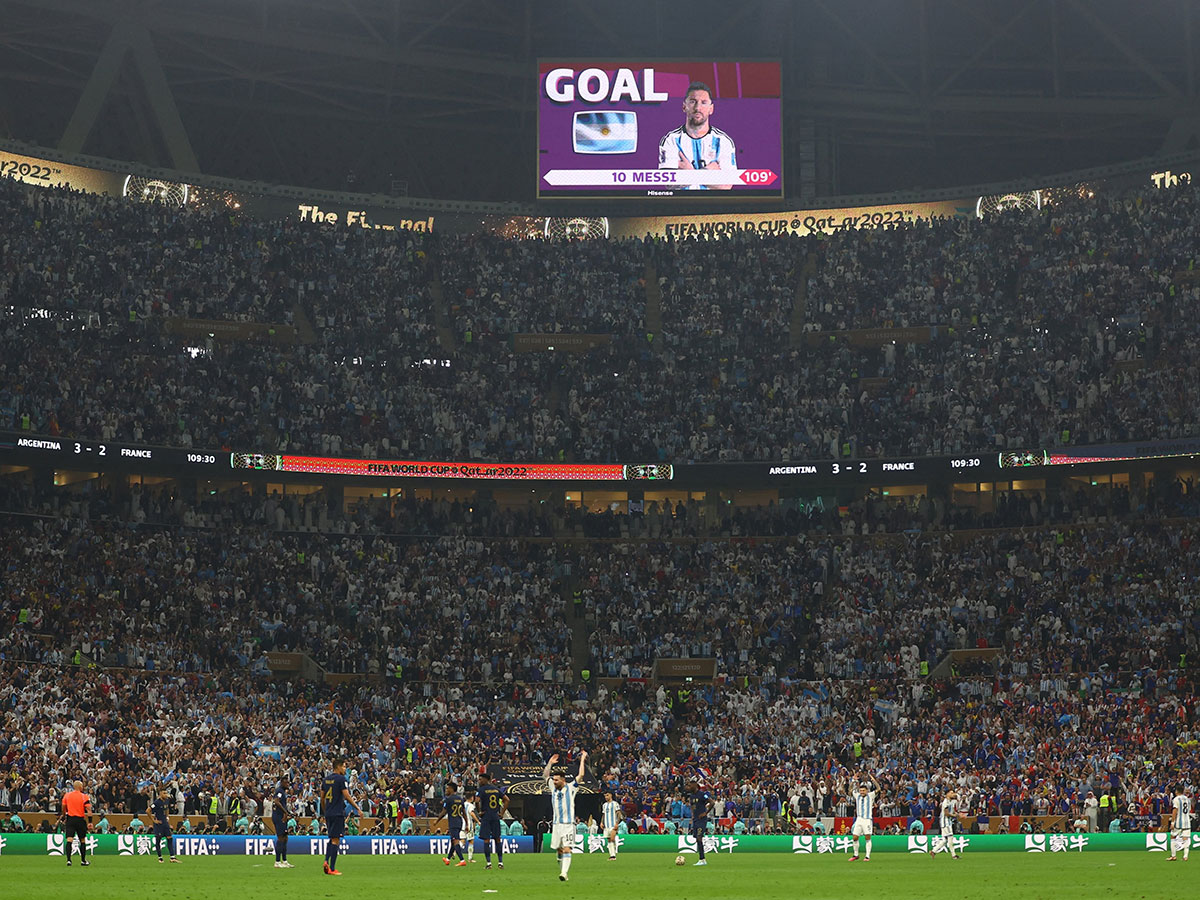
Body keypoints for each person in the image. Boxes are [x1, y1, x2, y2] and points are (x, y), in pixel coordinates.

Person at [657, 81, 737, 190]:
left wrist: (689, 174)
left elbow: (726, 185)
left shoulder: (723, 141)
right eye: (693, 101)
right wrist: (707, 173)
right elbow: (668, 183)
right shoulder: (671, 140)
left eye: (703, 102)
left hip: (712, 201)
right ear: (684, 106)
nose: (698, 108)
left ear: (711, 109)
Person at [544, 751, 587, 882]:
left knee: (567, 849)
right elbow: (545, 775)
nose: (554, 781)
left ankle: (564, 873)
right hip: (556, 825)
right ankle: (561, 865)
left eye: (556, 780)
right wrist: (549, 763)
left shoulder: (571, 787)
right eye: (553, 780)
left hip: (568, 825)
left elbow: (581, 775)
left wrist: (582, 759)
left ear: (563, 780)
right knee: (559, 850)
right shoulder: (552, 787)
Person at [320, 758, 362, 876]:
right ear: (338, 767)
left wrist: (325, 811)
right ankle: (332, 868)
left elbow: (322, 798)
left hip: (328, 813)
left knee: (331, 838)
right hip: (338, 813)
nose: (345, 769)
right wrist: (357, 808)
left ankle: (326, 861)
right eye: (344, 766)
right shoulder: (341, 779)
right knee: (336, 840)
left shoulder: (326, 780)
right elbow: (347, 796)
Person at [477, 771, 509, 870]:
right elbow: (507, 800)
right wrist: (502, 813)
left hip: (486, 816)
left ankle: (489, 863)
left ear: (485, 779)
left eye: (480, 779)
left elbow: (477, 801)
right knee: (497, 839)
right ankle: (500, 862)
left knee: (486, 840)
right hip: (495, 816)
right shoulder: (496, 789)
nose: (479, 781)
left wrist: (479, 811)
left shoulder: (481, 789)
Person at [432, 783, 468, 867]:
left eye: (447, 788)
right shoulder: (460, 799)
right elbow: (464, 812)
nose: (446, 790)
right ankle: (448, 859)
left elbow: (444, 812)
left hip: (453, 822)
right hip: (459, 822)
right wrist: (466, 824)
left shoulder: (448, 799)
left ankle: (462, 860)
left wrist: (437, 821)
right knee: (453, 841)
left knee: (455, 841)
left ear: (452, 789)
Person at [59, 781, 91, 867]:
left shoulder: (67, 795)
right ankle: (83, 860)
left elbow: (63, 807)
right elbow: (89, 810)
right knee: (82, 840)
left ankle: (69, 860)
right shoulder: (84, 796)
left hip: (70, 819)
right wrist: (90, 822)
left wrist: (63, 815)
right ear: (80, 787)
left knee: (69, 839)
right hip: (80, 819)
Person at [850, 772, 880, 862]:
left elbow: (878, 788)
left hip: (867, 819)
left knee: (867, 837)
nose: (862, 792)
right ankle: (856, 855)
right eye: (861, 790)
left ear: (867, 791)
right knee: (855, 837)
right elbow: (850, 790)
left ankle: (867, 856)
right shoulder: (857, 796)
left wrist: (874, 780)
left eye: (863, 790)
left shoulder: (871, 795)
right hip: (859, 819)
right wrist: (853, 780)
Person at [151, 788, 180, 863]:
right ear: (160, 794)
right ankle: (160, 858)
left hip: (165, 823)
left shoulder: (167, 800)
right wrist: (154, 820)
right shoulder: (156, 802)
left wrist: (167, 817)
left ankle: (172, 857)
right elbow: (148, 810)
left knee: (170, 838)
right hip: (159, 824)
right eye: (164, 793)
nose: (166, 795)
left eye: (166, 793)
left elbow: (167, 809)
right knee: (158, 840)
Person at [930, 788, 960, 859]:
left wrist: (956, 814)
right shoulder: (945, 802)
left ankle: (933, 851)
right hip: (946, 822)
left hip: (946, 822)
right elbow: (946, 814)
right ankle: (953, 855)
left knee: (944, 840)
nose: (953, 794)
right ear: (947, 794)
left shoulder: (951, 801)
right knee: (950, 838)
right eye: (951, 793)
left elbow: (951, 811)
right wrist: (954, 815)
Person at [271, 778, 293, 869]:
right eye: (286, 782)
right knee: (280, 837)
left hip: (282, 816)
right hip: (278, 817)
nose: (288, 784)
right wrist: (285, 812)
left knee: (285, 838)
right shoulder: (279, 791)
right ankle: (277, 861)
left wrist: (288, 813)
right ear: (282, 783)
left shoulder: (282, 792)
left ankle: (284, 861)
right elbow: (276, 801)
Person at [689, 780, 711, 866]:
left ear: (695, 785)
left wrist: (706, 813)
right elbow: (692, 806)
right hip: (695, 820)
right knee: (697, 838)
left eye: (690, 785)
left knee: (699, 838)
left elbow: (712, 802)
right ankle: (702, 859)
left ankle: (702, 859)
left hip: (702, 820)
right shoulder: (691, 796)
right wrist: (692, 815)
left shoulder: (702, 794)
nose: (689, 787)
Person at [1169, 784, 1192, 861]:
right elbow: (1189, 810)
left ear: (1176, 791)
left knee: (1173, 836)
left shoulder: (1176, 799)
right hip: (1187, 822)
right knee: (1186, 839)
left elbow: (1175, 811)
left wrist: (1172, 823)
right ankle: (1185, 856)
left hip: (1178, 822)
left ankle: (1173, 856)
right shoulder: (1187, 799)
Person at [601, 789, 622, 860]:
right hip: (606, 825)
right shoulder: (604, 805)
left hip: (613, 824)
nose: (606, 797)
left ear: (611, 795)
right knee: (609, 840)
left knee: (612, 839)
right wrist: (601, 822)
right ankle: (612, 855)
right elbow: (603, 814)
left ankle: (614, 853)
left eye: (607, 795)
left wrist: (617, 823)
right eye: (605, 796)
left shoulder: (615, 804)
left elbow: (619, 814)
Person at [462, 787, 479, 863]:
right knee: (471, 841)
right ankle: (470, 858)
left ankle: (454, 851)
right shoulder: (471, 805)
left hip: (462, 824)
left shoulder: (462, 804)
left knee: (462, 840)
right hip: (469, 824)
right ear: (472, 798)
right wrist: (478, 821)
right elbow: (471, 813)